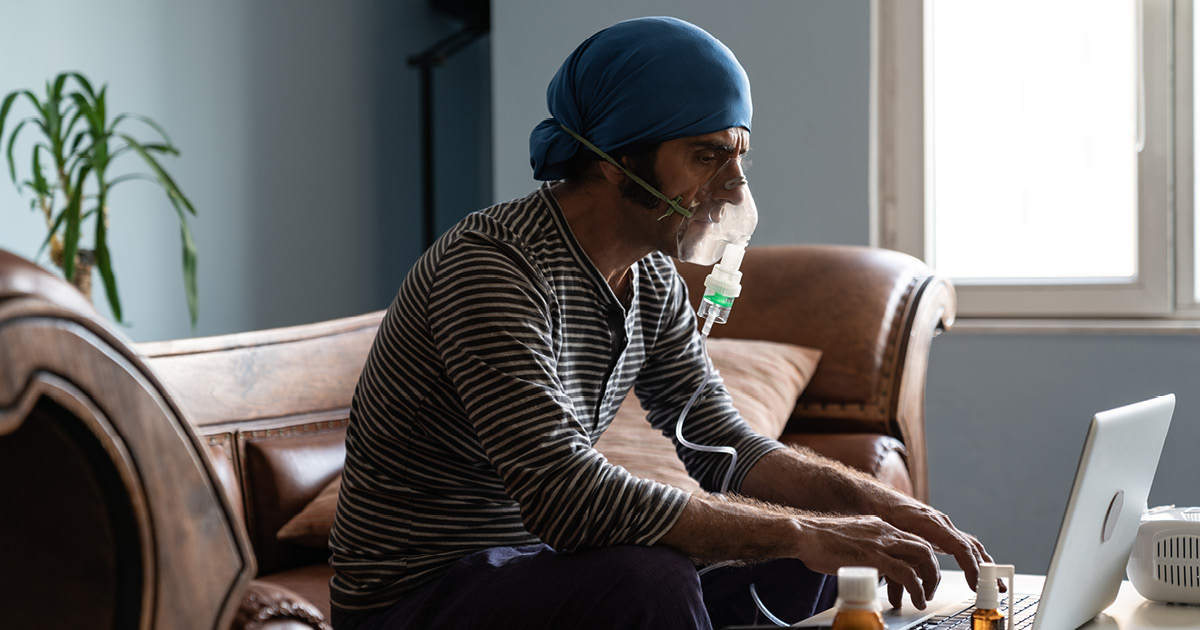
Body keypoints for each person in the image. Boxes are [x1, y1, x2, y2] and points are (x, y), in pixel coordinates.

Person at [329, 16, 992, 630]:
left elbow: (719, 443)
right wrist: (799, 530)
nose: (734, 190)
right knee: (649, 579)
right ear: (615, 157)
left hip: (527, 572)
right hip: (413, 597)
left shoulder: (648, 279)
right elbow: (565, 496)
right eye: (707, 156)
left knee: (806, 551)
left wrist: (880, 507)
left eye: (739, 158)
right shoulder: (493, 270)